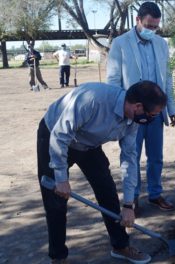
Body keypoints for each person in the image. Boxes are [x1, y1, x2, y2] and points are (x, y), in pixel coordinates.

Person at [37, 80, 166, 264]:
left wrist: (129, 205)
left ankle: (120, 246)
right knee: (56, 200)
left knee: (107, 190)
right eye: (151, 115)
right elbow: (60, 135)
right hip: (54, 135)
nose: (150, 120)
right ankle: (58, 257)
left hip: (88, 144)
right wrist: (60, 176)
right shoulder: (92, 100)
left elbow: (129, 159)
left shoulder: (133, 119)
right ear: (138, 106)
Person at [107, 2, 175, 213]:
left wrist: (171, 108)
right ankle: (133, 197)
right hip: (133, 113)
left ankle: (155, 195)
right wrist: (120, 110)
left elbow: (167, 79)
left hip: (156, 112)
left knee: (156, 156)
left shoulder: (161, 44)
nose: (152, 30)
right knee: (131, 156)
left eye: (156, 27)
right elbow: (113, 81)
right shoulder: (120, 43)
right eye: (149, 25)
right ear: (137, 20)